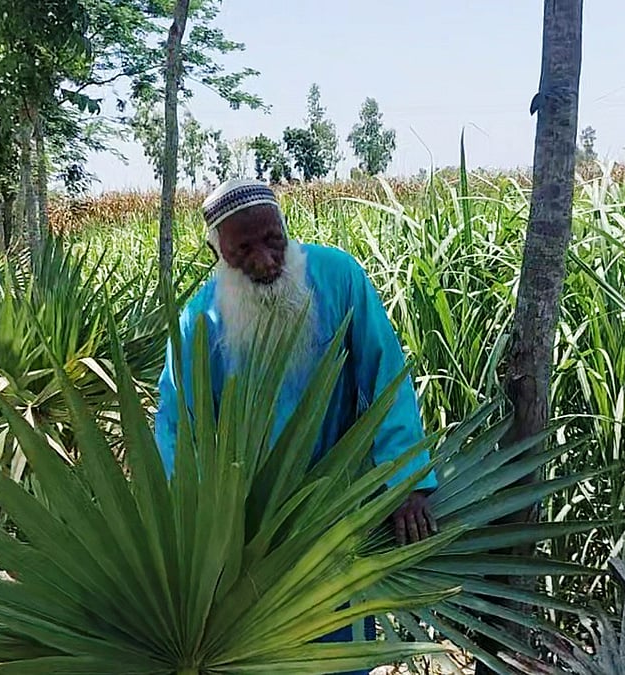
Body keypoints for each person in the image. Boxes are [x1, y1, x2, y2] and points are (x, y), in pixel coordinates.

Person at [153, 178, 438, 671]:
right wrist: (198, 533)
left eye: (272, 240)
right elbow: (178, 430)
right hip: (247, 537)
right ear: (219, 252)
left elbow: (385, 372)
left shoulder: (339, 278)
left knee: (341, 655)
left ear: (286, 229)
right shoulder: (199, 323)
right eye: (243, 249)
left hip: (336, 514)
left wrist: (406, 480)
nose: (265, 261)